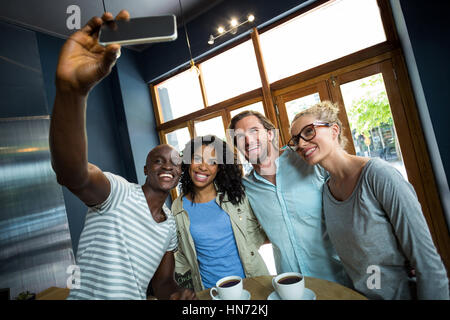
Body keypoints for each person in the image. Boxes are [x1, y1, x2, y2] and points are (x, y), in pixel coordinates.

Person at [49, 10, 196, 300]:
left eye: (176, 163)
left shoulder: (169, 227)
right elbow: (72, 173)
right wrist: (72, 93)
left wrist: (177, 294)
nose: (169, 166)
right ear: (145, 169)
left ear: (180, 174)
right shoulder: (118, 193)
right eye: (159, 160)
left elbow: (163, 285)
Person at [289, 100, 449, 299]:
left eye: (309, 131)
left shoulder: (379, 175)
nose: (301, 144)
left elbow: (428, 264)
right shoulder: (326, 191)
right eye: (295, 141)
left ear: (334, 130)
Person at [228, 111, 350, 286]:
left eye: (254, 131)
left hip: (337, 279)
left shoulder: (309, 161)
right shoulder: (246, 188)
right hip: (290, 286)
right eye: (240, 137)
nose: (248, 140)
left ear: (270, 134)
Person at [172, 135, 269, 292]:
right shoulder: (178, 207)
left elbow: (262, 229)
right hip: (209, 291)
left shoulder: (237, 196)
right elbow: (183, 253)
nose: (203, 167)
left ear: (220, 168)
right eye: (197, 158)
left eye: (212, 162)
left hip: (252, 284)